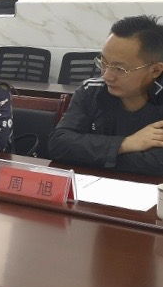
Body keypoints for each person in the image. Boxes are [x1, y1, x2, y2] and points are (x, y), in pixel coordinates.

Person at [48, 15, 163, 175]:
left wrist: (95, 154)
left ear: (155, 70)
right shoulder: (91, 91)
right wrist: (125, 143)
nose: (106, 76)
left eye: (120, 69)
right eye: (103, 63)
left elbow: (157, 164)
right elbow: (59, 144)